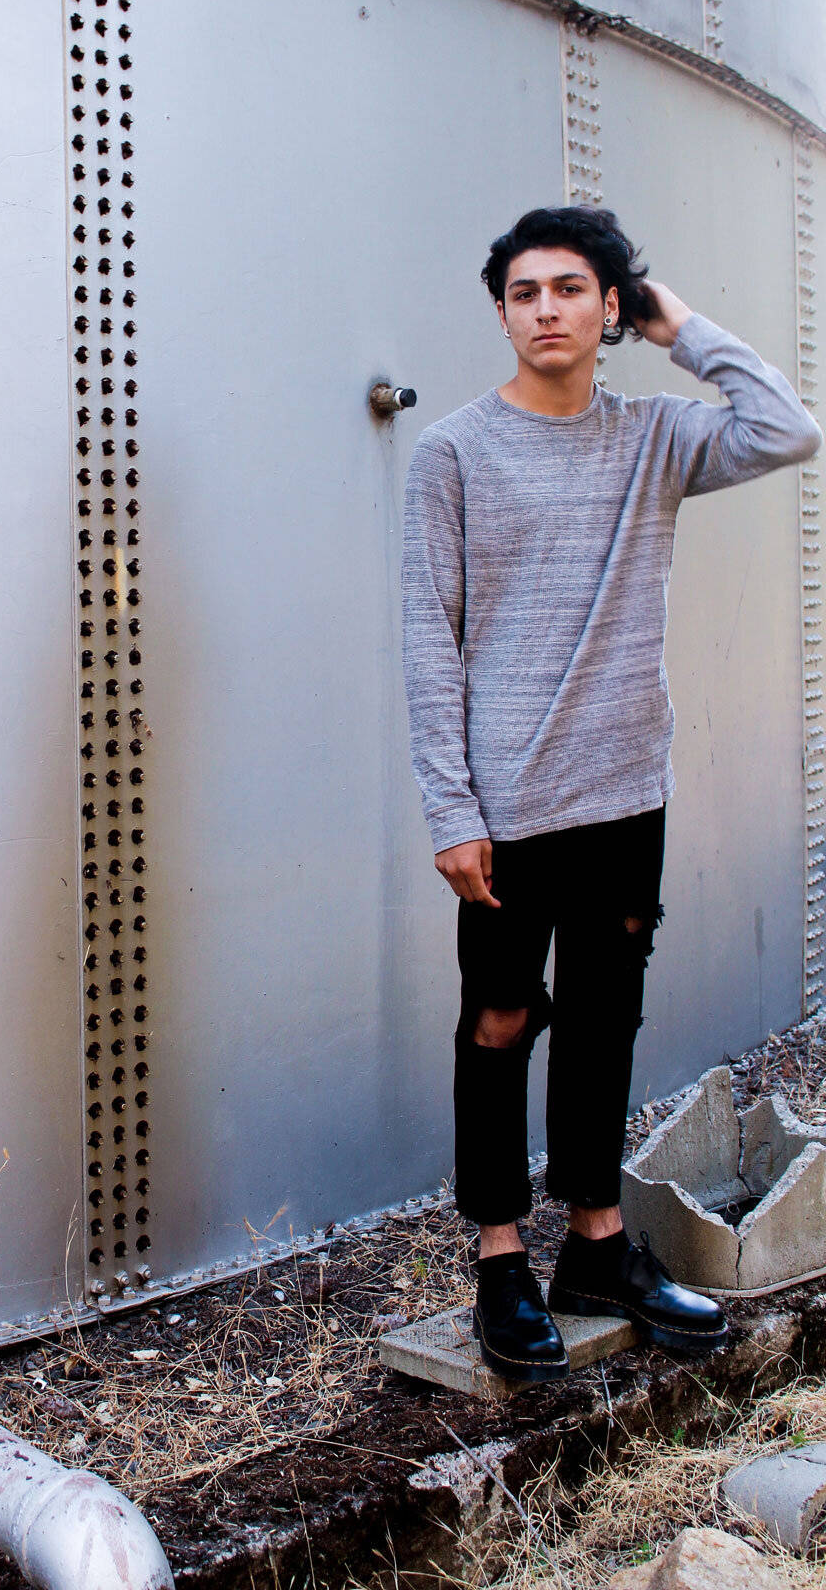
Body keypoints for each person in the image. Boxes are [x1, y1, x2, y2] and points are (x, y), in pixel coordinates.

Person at [401, 205, 822, 1383]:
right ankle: (498, 1257)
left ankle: (593, 1245)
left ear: (607, 308)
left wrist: (674, 324)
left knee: (602, 1018)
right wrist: (450, 811)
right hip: (505, 805)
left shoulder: (654, 436)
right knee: (498, 1023)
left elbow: (786, 427)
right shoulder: (451, 452)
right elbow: (428, 639)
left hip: (625, 787)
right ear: (500, 313)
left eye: (570, 289)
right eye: (523, 292)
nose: (545, 309)